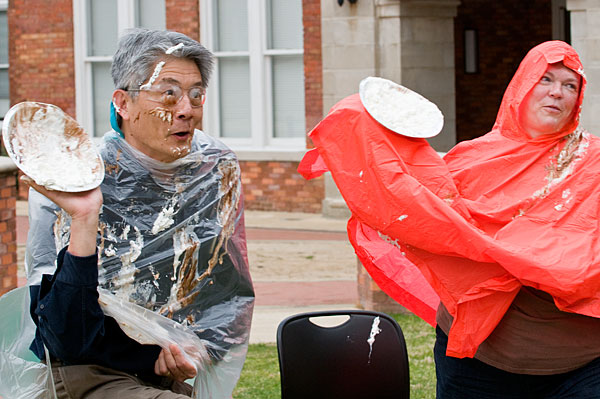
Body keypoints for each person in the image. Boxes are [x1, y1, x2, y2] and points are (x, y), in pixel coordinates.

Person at [299, 41, 600, 397]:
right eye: (545, 79)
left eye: (570, 85)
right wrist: (362, 117)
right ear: (522, 85)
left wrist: (533, 257)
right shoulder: (471, 159)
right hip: (479, 363)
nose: (557, 93)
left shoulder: (591, 162)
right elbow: (415, 205)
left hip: (581, 366)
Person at [24, 28, 254, 398]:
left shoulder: (213, 171)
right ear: (123, 103)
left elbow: (227, 293)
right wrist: (85, 219)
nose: (186, 110)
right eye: (168, 94)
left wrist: (197, 348)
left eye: (196, 95)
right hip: (84, 375)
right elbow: (63, 340)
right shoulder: (80, 179)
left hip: (161, 378)